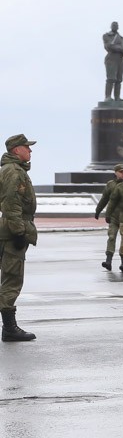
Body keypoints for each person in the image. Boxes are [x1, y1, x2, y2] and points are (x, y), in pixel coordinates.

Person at [0, 134, 38, 342]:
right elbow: (11, 204)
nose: (30, 151)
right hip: (13, 230)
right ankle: (9, 328)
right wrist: (19, 232)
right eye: (27, 147)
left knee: (9, 276)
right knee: (12, 278)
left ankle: (9, 327)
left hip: (9, 228)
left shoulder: (12, 169)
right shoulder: (14, 172)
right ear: (16, 150)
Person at [94, 164, 123, 270]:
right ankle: (108, 261)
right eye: (120, 172)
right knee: (111, 237)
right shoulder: (111, 184)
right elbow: (104, 198)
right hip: (114, 216)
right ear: (115, 173)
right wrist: (98, 211)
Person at [102, 21, 123, 101]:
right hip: (111, 58)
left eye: (116, 25)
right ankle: (108, 97)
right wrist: (120, 48)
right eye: (113, 25)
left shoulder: (120, 38)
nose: (115, 26)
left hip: (120, 59)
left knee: (119, 80)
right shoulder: (106, 35)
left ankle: (117, 97)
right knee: (111, 78)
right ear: (111, 26)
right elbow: (109, 46)